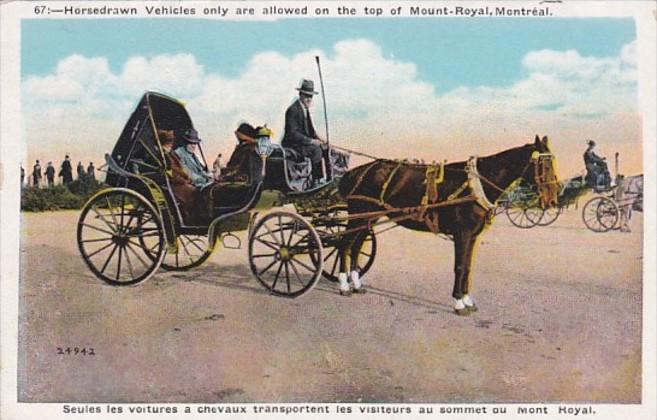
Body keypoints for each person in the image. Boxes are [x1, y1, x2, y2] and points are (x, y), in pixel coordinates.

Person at [281, 79, 326, 186]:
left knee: (325, 148)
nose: (309, 98)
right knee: (316, 150)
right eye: (306, 95)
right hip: (293, 145)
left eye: (311, 96)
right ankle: (316, 181)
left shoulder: (305, 110)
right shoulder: (293, 110)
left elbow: (311, 131)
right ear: (300, 94)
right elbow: (293, 134)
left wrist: (320, 140)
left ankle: (328, 178)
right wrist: (311, 141)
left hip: (302, 143)